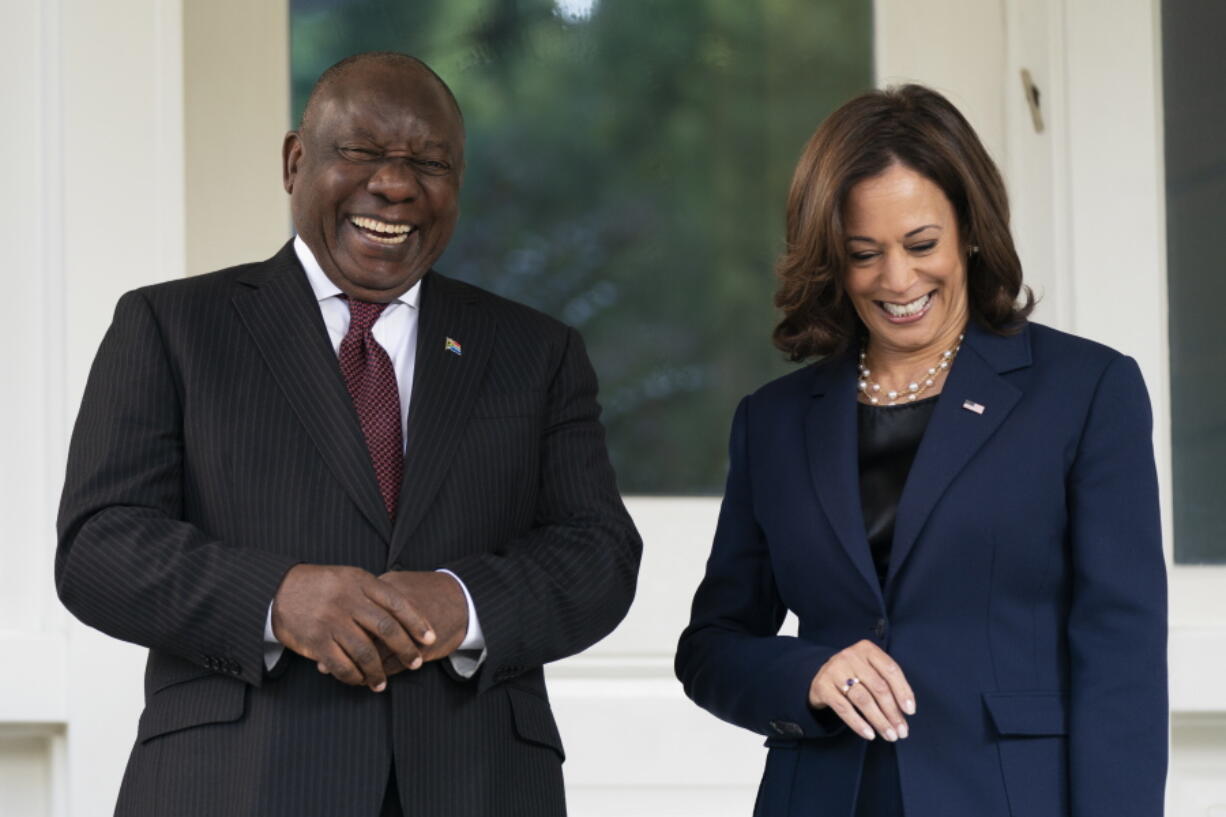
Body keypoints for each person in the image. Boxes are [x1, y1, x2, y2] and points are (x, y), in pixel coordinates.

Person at [56, 51, 641, 817]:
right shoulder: (172, 327)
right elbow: (98, 546)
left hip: (475, 783)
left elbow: (598, 551)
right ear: (297, 161)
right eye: (362, 152)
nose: (395, 184)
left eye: (429, 162)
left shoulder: (536, 351)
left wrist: (465, 603)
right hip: (234, 783)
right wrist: (278, 597)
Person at [674, 84, 1167, 817]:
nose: (897, 280)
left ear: (970, 227)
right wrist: (807, 672)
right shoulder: (772, 422)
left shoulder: (1087, 390)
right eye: (863, 254)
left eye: (922, 244)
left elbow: (1121, 656)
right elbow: (711, 646)